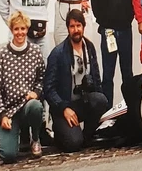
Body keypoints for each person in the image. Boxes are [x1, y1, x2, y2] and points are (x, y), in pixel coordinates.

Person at [44, 8, 108, 153]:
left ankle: (86, 136)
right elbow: (48, 89)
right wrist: (63, 108)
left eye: (78, 26)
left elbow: (96, 78)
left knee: (101, 100)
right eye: (72, 26)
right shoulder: (58, 53)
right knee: (73, 144)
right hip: (64, 106)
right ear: (68, 28)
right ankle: (63, 131)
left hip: (83, 102)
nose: (76, 30)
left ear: (83, 27)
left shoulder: (89, 47)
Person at [0, 11, 45, 163]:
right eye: (16, 29)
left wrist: (36, 92)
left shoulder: (35, 52)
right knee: (8, 155)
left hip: (27, 106)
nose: (20, 33)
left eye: (22, 29)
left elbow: (41, 79)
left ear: (27, 29)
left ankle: (35, 138)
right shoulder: (2, 55)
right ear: (12, 30)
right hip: (9, 112)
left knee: (36, 106)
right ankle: (19, 137)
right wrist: (1, 115)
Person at [91, 0, 134, 109]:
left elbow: (134, 1)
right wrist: (104, 22)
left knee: (127, 74)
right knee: (107, 76)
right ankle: (106, 114)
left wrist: (127, 20)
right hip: (107, 31)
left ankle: (131, 109)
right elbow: (95, 2)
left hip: (125, 31)